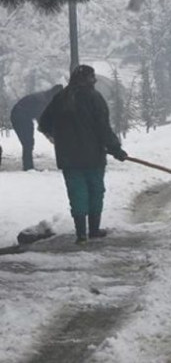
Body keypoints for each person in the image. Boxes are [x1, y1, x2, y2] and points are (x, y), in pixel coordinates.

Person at [38, 65, 128, 245]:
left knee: (77, 193)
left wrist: (57, 137)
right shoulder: (94, 98)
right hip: (93, 156)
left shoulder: (60, 98)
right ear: (90, 80)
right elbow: (103, 127)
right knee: (95, 191)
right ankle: (93, 230)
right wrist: (115, 149)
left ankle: (81, 234)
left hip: (68, 158)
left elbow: (44, 123)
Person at [10, 84, 63, 170]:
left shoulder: (46, 98)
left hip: (23, 115)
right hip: (19, 116)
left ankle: (28, 165)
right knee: (28, 142)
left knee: (28, 142)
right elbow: (42, 121)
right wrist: (50, 135)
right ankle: (28, 167)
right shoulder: (43, 101)